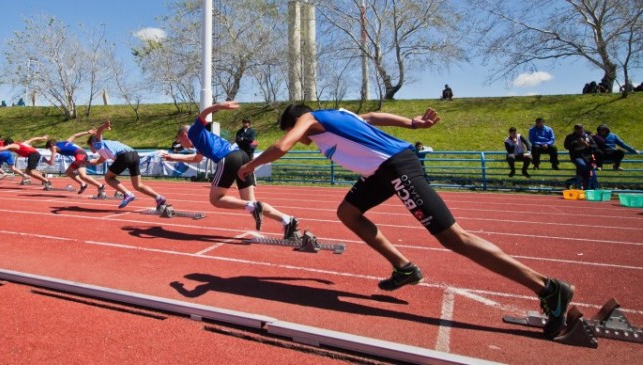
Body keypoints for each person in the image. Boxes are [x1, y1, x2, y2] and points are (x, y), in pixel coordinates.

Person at [237, 104, 574, 339]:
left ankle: (547, 288)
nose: (303, 139)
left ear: (296, 121)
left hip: (396, 166)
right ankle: (404, 268)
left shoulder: (310, 119)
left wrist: (250, 166)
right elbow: (373, 117)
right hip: (380, 172)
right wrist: (412, 123)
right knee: (348, 212)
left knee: (453, 237)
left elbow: (282, 146)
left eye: (298, 131)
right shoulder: (339, 116)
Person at [161, 101, 299, 239]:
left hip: (228, 158)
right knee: (250, 202)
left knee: (216, 199)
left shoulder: (193, 132)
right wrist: (174, 157)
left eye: (180, 140)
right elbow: (197, 159)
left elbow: (203, 114)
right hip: (242, 156)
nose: (182, 145)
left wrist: (220, 106)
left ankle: (253, 206)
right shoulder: (200, 139)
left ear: (184, 135)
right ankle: (287, 220)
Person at [87, 120, 167, 209]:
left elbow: (98, 133)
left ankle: (127, 194)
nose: (90, 149)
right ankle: (159, 197)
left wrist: (103, 126)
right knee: (138, 185)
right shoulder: (106, 147)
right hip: (134, 155)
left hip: (124, 156)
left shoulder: (97, 145)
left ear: (91, 143)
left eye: (89, 147)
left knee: (108, 178)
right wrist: (86, 162)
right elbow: (100, 160)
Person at [563, 124, 599, 189]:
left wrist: (587, 145)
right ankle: (584, 185)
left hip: (588, 157)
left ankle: (587, 188)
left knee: (590, 173)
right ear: (575, 129)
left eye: (580, 129)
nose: (579, 130)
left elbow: (595, 146)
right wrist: (576, 143)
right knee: (583, 166)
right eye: (577, 129)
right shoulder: (570, 137)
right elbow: (566, 146)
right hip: (576, 156)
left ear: (583, 128)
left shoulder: (588, 136)